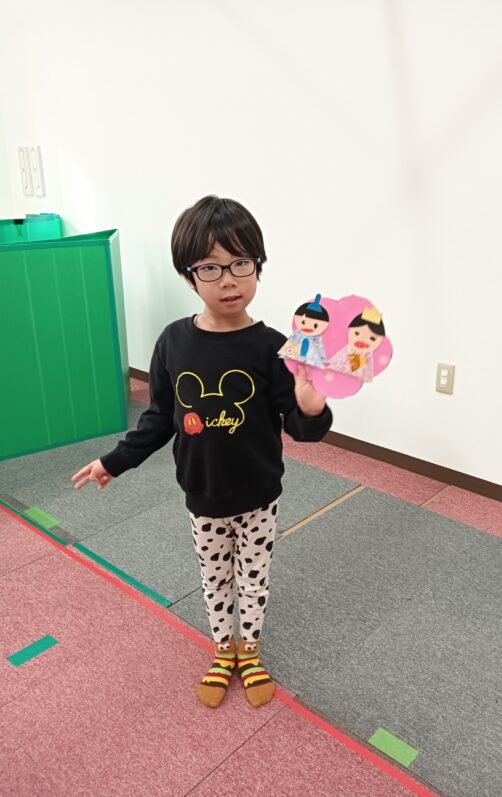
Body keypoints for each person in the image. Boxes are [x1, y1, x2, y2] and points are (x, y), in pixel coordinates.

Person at [71, 196, 332, 709]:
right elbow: (158, 418)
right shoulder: (174, 342)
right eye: (210, 267)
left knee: (253, 581)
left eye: (241, 263)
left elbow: (304, 430)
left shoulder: (272, 348)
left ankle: (249, 652)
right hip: (202, 494)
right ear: (188, 276)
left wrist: (311, 404)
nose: (229, 280)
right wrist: (114, 461)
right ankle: (222, 651)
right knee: (215, 580)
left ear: (258, 266)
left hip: (259, 495)